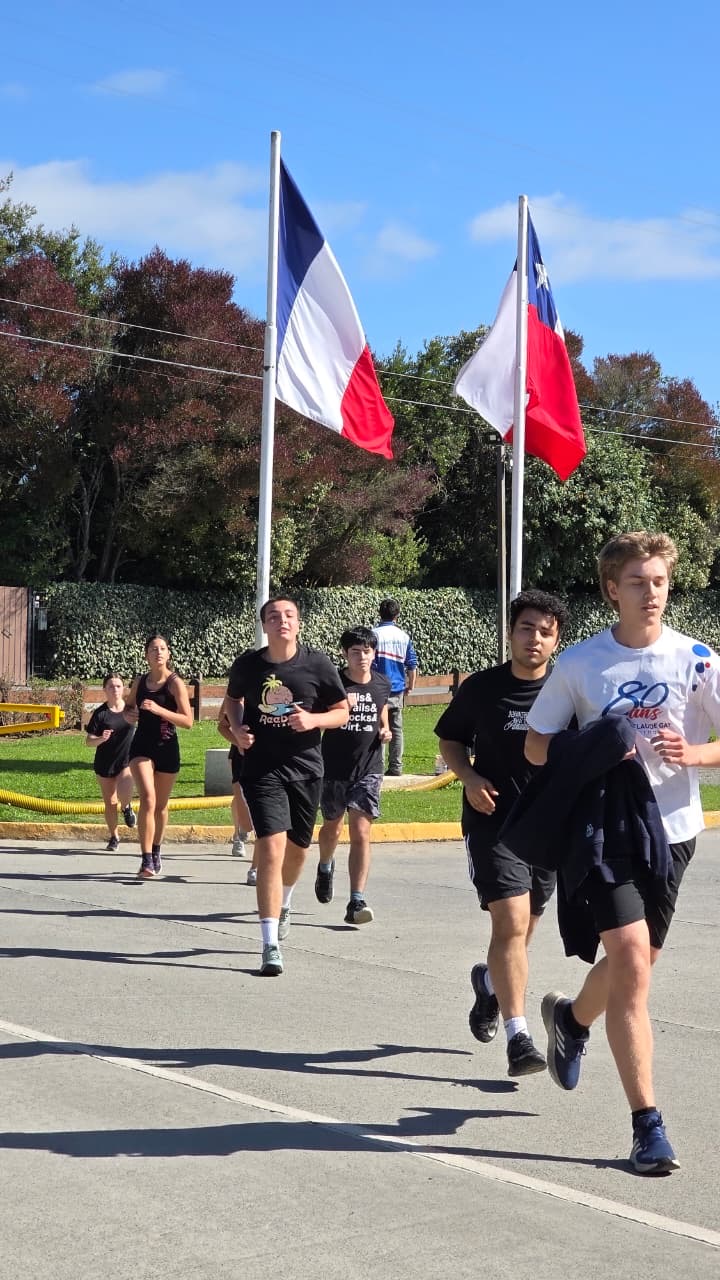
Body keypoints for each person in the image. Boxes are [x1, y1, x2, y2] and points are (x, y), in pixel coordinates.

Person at [524, 530, 720, 1173]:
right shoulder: (582, 664)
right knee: (633, 960)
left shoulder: (697, 659)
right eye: (637, 582)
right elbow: (536, 744)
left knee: (637, 963)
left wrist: (694, 753)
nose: (651, 592)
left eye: (659, 581)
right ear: (612, 589)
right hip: (605, 831)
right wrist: (592, 749)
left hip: (674, 831)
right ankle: (648, 1127)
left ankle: (572, 1021)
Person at [434, 589, 568, 1077]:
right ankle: (519, 1038)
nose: (535, 638)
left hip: (547, 827)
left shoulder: (567, 691)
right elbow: (450, 739)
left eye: (545, 631)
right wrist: (469, 778)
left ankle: (489, 984)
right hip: (493, 822)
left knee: (523, 930)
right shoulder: (482, 688)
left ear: (556, 641)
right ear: (510, 632)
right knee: (510, 924)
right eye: (526, 628)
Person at [224, 597, 349, 976]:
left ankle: (286, 902)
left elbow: (341, 711)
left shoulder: (317, 664)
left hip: (306, 769)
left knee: (298, 851)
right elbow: (233, 700)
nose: (283, 621)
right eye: (274, 616)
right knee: (271, 848)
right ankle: (269, 944)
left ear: (299, 624)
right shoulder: (248, 665)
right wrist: (237, 730)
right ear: (264, 625)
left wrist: (313, 721)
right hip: (261, 769)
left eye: (290, 615)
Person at [315, 626, 392, 925]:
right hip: (334, 768)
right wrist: (340, 709)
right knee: (332, 828)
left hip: (368, 769)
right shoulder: (334, 683)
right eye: (355, 652)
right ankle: (325, 866)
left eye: (367, 651)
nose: (362, 657)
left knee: (361, 832)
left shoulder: (382, 683)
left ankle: (356, 900)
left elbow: (381, 708)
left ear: (374, 653)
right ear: (345, 654)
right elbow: (317, 720)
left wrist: (385, 729)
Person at [124, 632, 193, 880]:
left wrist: (159, 709)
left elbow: (188, 721)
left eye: (162, 648)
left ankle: (155, 850)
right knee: (148, 798)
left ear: (168, 654)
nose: (158, 652)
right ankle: (145, 859)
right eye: (154, 649)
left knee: (161, 807)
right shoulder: (140, 682)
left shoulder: (175, 683)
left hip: (167, 746)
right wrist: (129, 715)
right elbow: (128, 707)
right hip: (142, 746)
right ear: (146, 655)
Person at [85, 672, 137, 851]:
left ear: (123, 689)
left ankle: (127, 807)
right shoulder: (101, 714)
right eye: (111, 686)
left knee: (124, 792)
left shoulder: (131, 709)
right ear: (105, 690)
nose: (115, 689)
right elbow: (89, 741)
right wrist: (101, 738)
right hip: (105, 763)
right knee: (110, 802)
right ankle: (114, 837)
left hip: (126, 760)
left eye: (118, 686)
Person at [372, 598, 418, 776]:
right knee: (396, 728)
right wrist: (410, 686)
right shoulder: (404, 637)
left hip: (377, 687)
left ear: (379, 613)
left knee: (378, 726)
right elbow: (412, 664)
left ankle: (378, 766)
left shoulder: (373, 635)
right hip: (397, 687)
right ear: (397, 615)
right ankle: (396, 766)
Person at [217, 699, 258, 884]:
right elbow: (222, 722)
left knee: (263, 813)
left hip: (269, 760)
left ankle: (256, 866)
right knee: (241, 798)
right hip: (241, 756)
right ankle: (239, 834)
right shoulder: (241, 697)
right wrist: (238, 741)